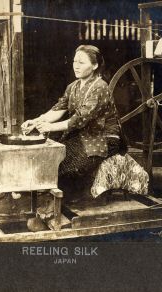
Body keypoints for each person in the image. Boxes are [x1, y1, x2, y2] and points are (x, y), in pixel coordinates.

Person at [21, 45, 122, 202]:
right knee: (52, 158)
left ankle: (55, 207)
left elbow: (80, 118)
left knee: (64, 165)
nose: (76, 65)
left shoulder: (100, 87)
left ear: (95, 65)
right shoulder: (73, 86)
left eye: (81, 62)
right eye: (75, 61)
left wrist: (51, 127)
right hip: (83, 135)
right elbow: (58, 109)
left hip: (104, 138)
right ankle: (49, 205)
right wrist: (36, 121)